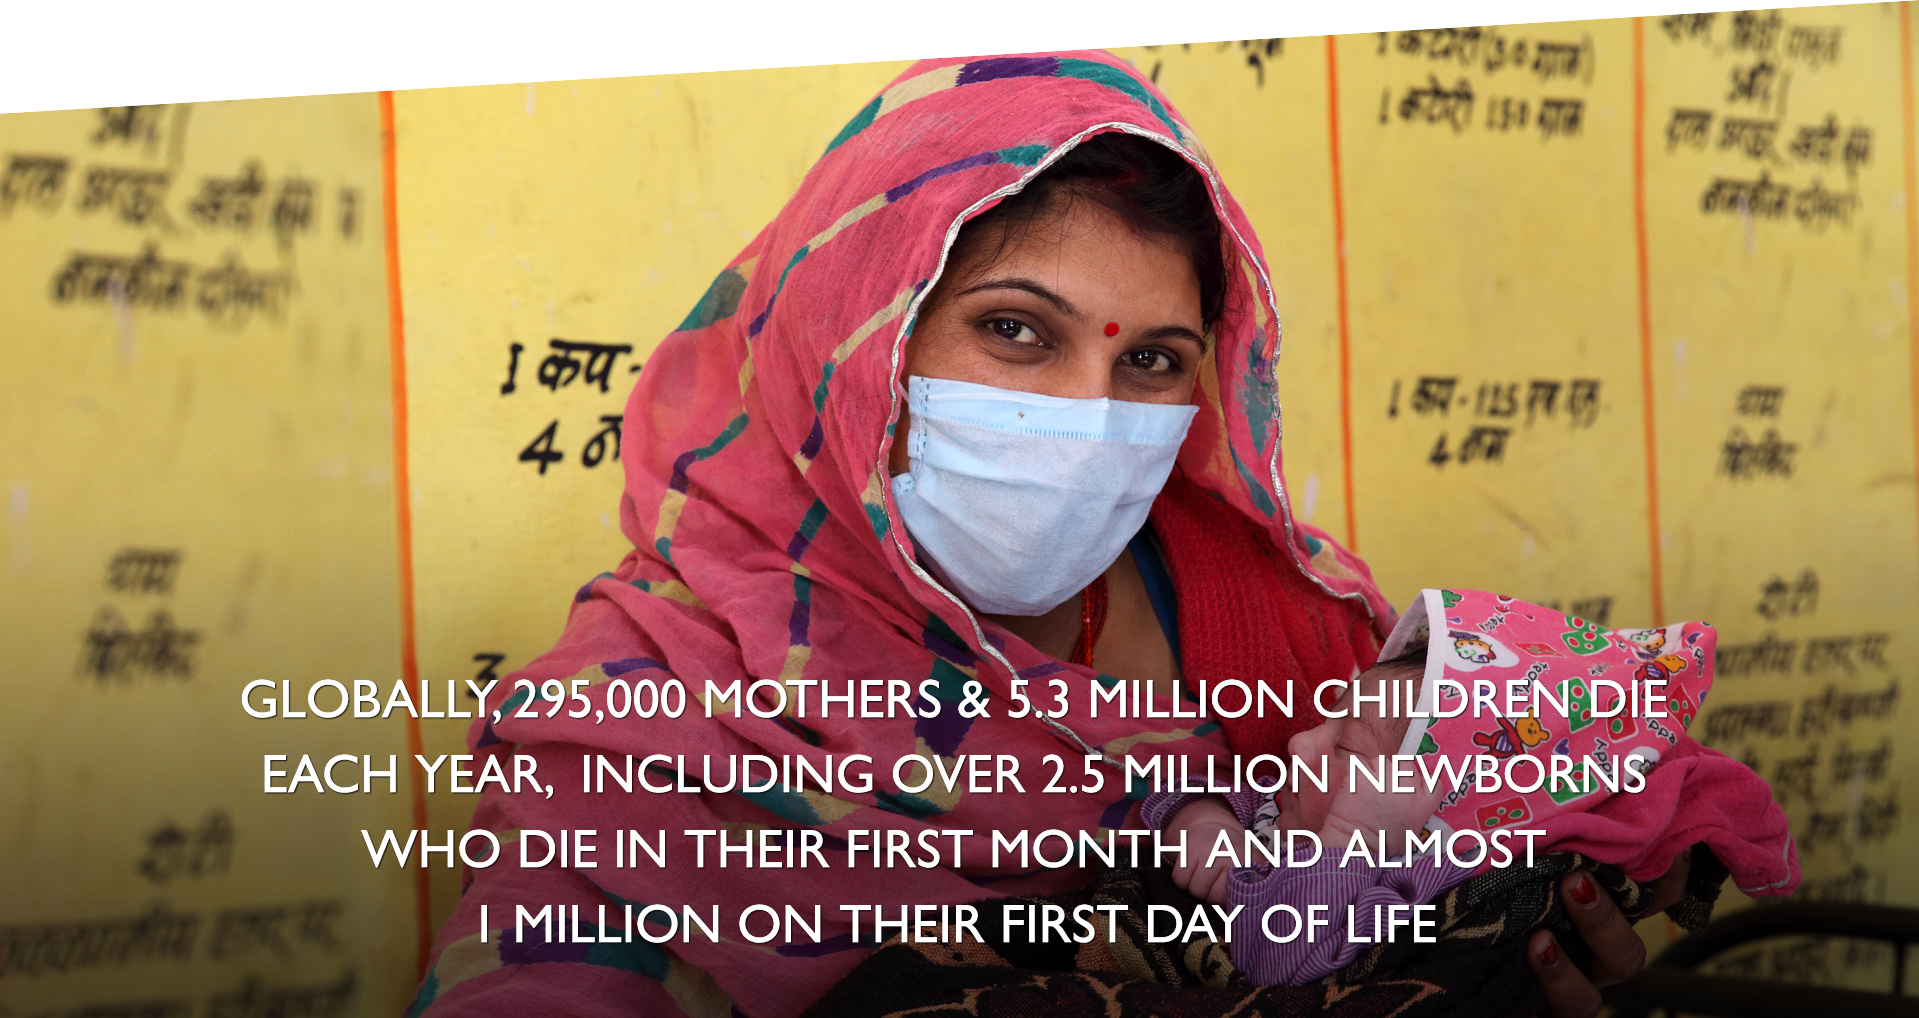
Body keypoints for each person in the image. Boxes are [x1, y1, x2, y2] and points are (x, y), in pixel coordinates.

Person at [409, 52, 1676, 1018]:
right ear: (852, 343)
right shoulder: (662, 702)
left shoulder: (1298, 624)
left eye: (1154, 360)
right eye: (1016, 329)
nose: (1085, 414)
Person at [1151, 590, 1799, 987]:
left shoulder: (1403, 888)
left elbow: (1279, 967)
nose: (1298, 744)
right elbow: (1183, 795)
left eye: (1342, 744)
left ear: (1434, 822)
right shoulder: (1293, 806)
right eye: (1328, 719)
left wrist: (1347, 845)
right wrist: (1199, 821)